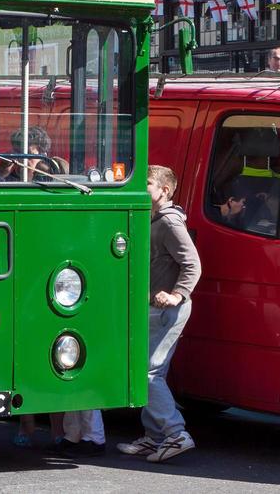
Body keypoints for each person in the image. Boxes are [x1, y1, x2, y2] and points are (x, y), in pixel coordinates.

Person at [117, 164, 201, 463]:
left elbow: (192, 263)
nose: (143, 188)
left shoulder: (169, 223)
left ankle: (176, 434)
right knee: (152, 372)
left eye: (148, 184)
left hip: (169, 310)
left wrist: (177, 294)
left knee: (147, 373)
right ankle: (154, 438)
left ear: (165, 190)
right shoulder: (154, 219)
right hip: (156, 308)